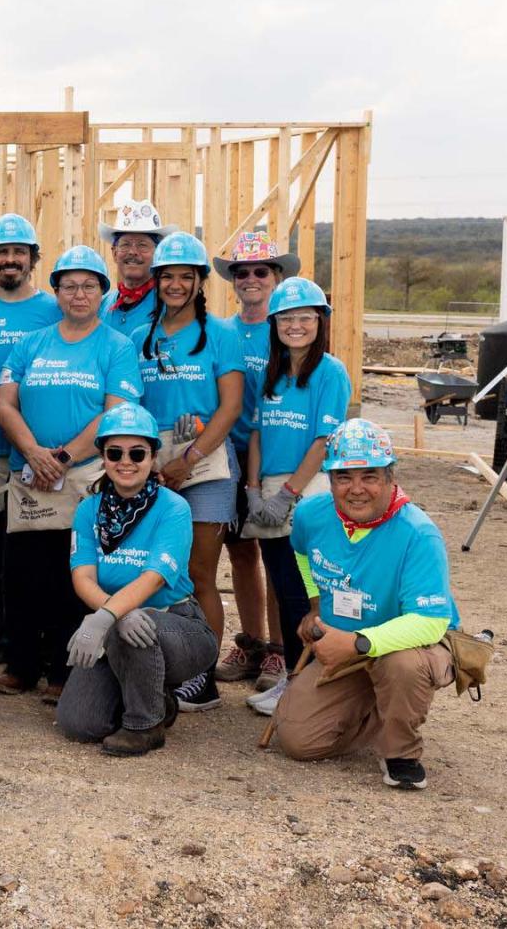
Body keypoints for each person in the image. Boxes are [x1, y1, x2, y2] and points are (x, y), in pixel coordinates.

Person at [273, 419, 461, 791]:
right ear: (329, 480)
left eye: (369, 476)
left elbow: (430, 620)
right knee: (298, 741)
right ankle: (379, 706)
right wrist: (315, 606)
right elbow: (303, 557)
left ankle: (401, 753)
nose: (356, 489)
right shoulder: (312, 514)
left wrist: (358, 642)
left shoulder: (418, 534)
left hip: (409, 643)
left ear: (390, 477)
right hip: (348, 638)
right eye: (344, 477)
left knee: (402, 664)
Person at [0, 245, 142, 700]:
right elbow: (4, 402)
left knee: (72, 573)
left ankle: (63, 670)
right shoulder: (32, 343)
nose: (79, 294)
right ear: (55, 292)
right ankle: (21, 662)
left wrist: (60, 458)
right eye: (70, 286)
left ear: (103, 291)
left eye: (89, 286)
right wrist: (33, 451)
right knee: (20, 572)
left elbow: (115, 412)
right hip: (29, 477)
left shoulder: (116, 347)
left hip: (83, 478)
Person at [55, 403, 217, 756]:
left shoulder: (173, 508)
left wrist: (108, 615)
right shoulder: (88, 510)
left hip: (176, 625)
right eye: (115, 452)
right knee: (78, 724)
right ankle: (155, 697)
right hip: (118, 627)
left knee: (136, 623)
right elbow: (82, 576)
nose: (125, 461)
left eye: (137, 452)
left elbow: (155, 578)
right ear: (103, 457)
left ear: (153, 456)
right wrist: (114, 615)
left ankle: (146, 725)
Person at [129, 232, 245, 712]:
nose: (176, 284)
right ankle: (158, 664)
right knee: (155, 570)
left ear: (200, 282)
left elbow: (231, 406)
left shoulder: (220, 335)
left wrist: (189, 458)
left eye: (186, 276)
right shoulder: (141, 337)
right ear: (156, 281)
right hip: (150, 463)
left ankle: (202, 676)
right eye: (168, 276)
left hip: (207, 464)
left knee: (199, 571)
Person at [242, 278, 351, 716]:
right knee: (281, 582)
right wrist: (252, 491)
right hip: (267, 486)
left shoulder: (330, 372)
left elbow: (324, 441)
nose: (296, 326)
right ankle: (291, 678)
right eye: (287, 318)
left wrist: (288, 495)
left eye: (305, 317)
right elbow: (255, 434)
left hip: (306, 488)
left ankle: (305, 684)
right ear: (275, 324)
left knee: (304, 589)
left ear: (320, 321)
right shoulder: (270, 371)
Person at [0, 214, 62, 670]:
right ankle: (8, 632)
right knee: (0, 550)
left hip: (45, 457)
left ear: (32, 260)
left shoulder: (54, 310)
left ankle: (44, 638)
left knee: (45, 554)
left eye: (18, 252)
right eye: (1, 252)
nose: (10, 260)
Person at [211, 232, 302, 694]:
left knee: (275, 553)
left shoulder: (288, 329)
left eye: (260, 271)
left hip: (273, 458)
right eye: (241, 272)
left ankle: (279, 650)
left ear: (277, 277)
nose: (250, 279)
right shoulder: (223, 332)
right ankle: (251, 641)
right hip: (230, 453)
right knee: (240, 552)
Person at [100, 199, 178, 332]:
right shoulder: (101, 306)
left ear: (158, 254)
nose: (133, 252)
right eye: (125, 244)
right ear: (114, 253)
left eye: (142, 245)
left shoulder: (171, 308)